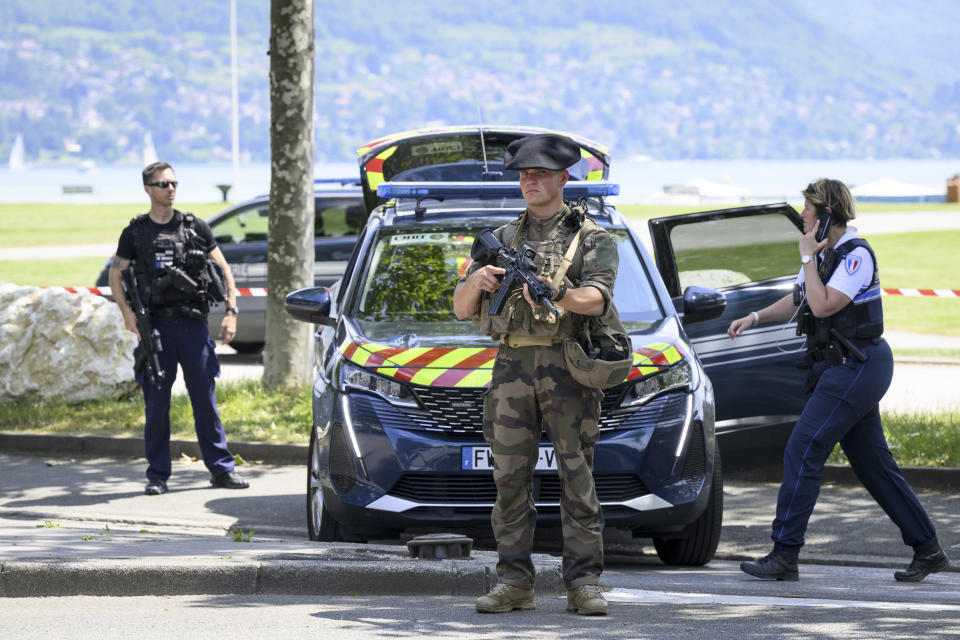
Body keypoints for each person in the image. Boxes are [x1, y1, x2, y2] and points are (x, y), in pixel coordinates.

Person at [728, 178, 949, 583]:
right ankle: (928, 549)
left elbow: (824, 305)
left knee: (804, 448)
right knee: (872, 464)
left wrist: (808, 259)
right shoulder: (824, 253)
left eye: (808, 210)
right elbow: (799, 298)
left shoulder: (854, 256)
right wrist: (754, 317)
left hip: (859, 365)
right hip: (842, 367)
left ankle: (785, 553)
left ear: (826, 213)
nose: (802, 216)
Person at [453, 134, 620, 615]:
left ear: (563, 179)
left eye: (540, 174)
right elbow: (463, 310)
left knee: (576, 477)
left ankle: (583, 583)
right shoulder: (502, 240)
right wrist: (475, 281)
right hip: (511, 368)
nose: (530, 181)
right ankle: (514, 583)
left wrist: (557, 292)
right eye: (524, 175)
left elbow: (598, 299)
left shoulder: (592, 239)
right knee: (508, 478)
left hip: (568, 366)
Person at [109, 162, 250, 495]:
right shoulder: (135, 232)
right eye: (162, 184)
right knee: (156, 405)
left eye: (173, 183)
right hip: (155, 327)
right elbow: (117, 274)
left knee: (205, 401)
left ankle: (221, 469)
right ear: (148, 189)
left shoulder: (194, 227)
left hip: (193, 326)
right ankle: (158, 474)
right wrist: (128, 314)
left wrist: (231, 311)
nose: (170, 189)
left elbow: (223, 268)